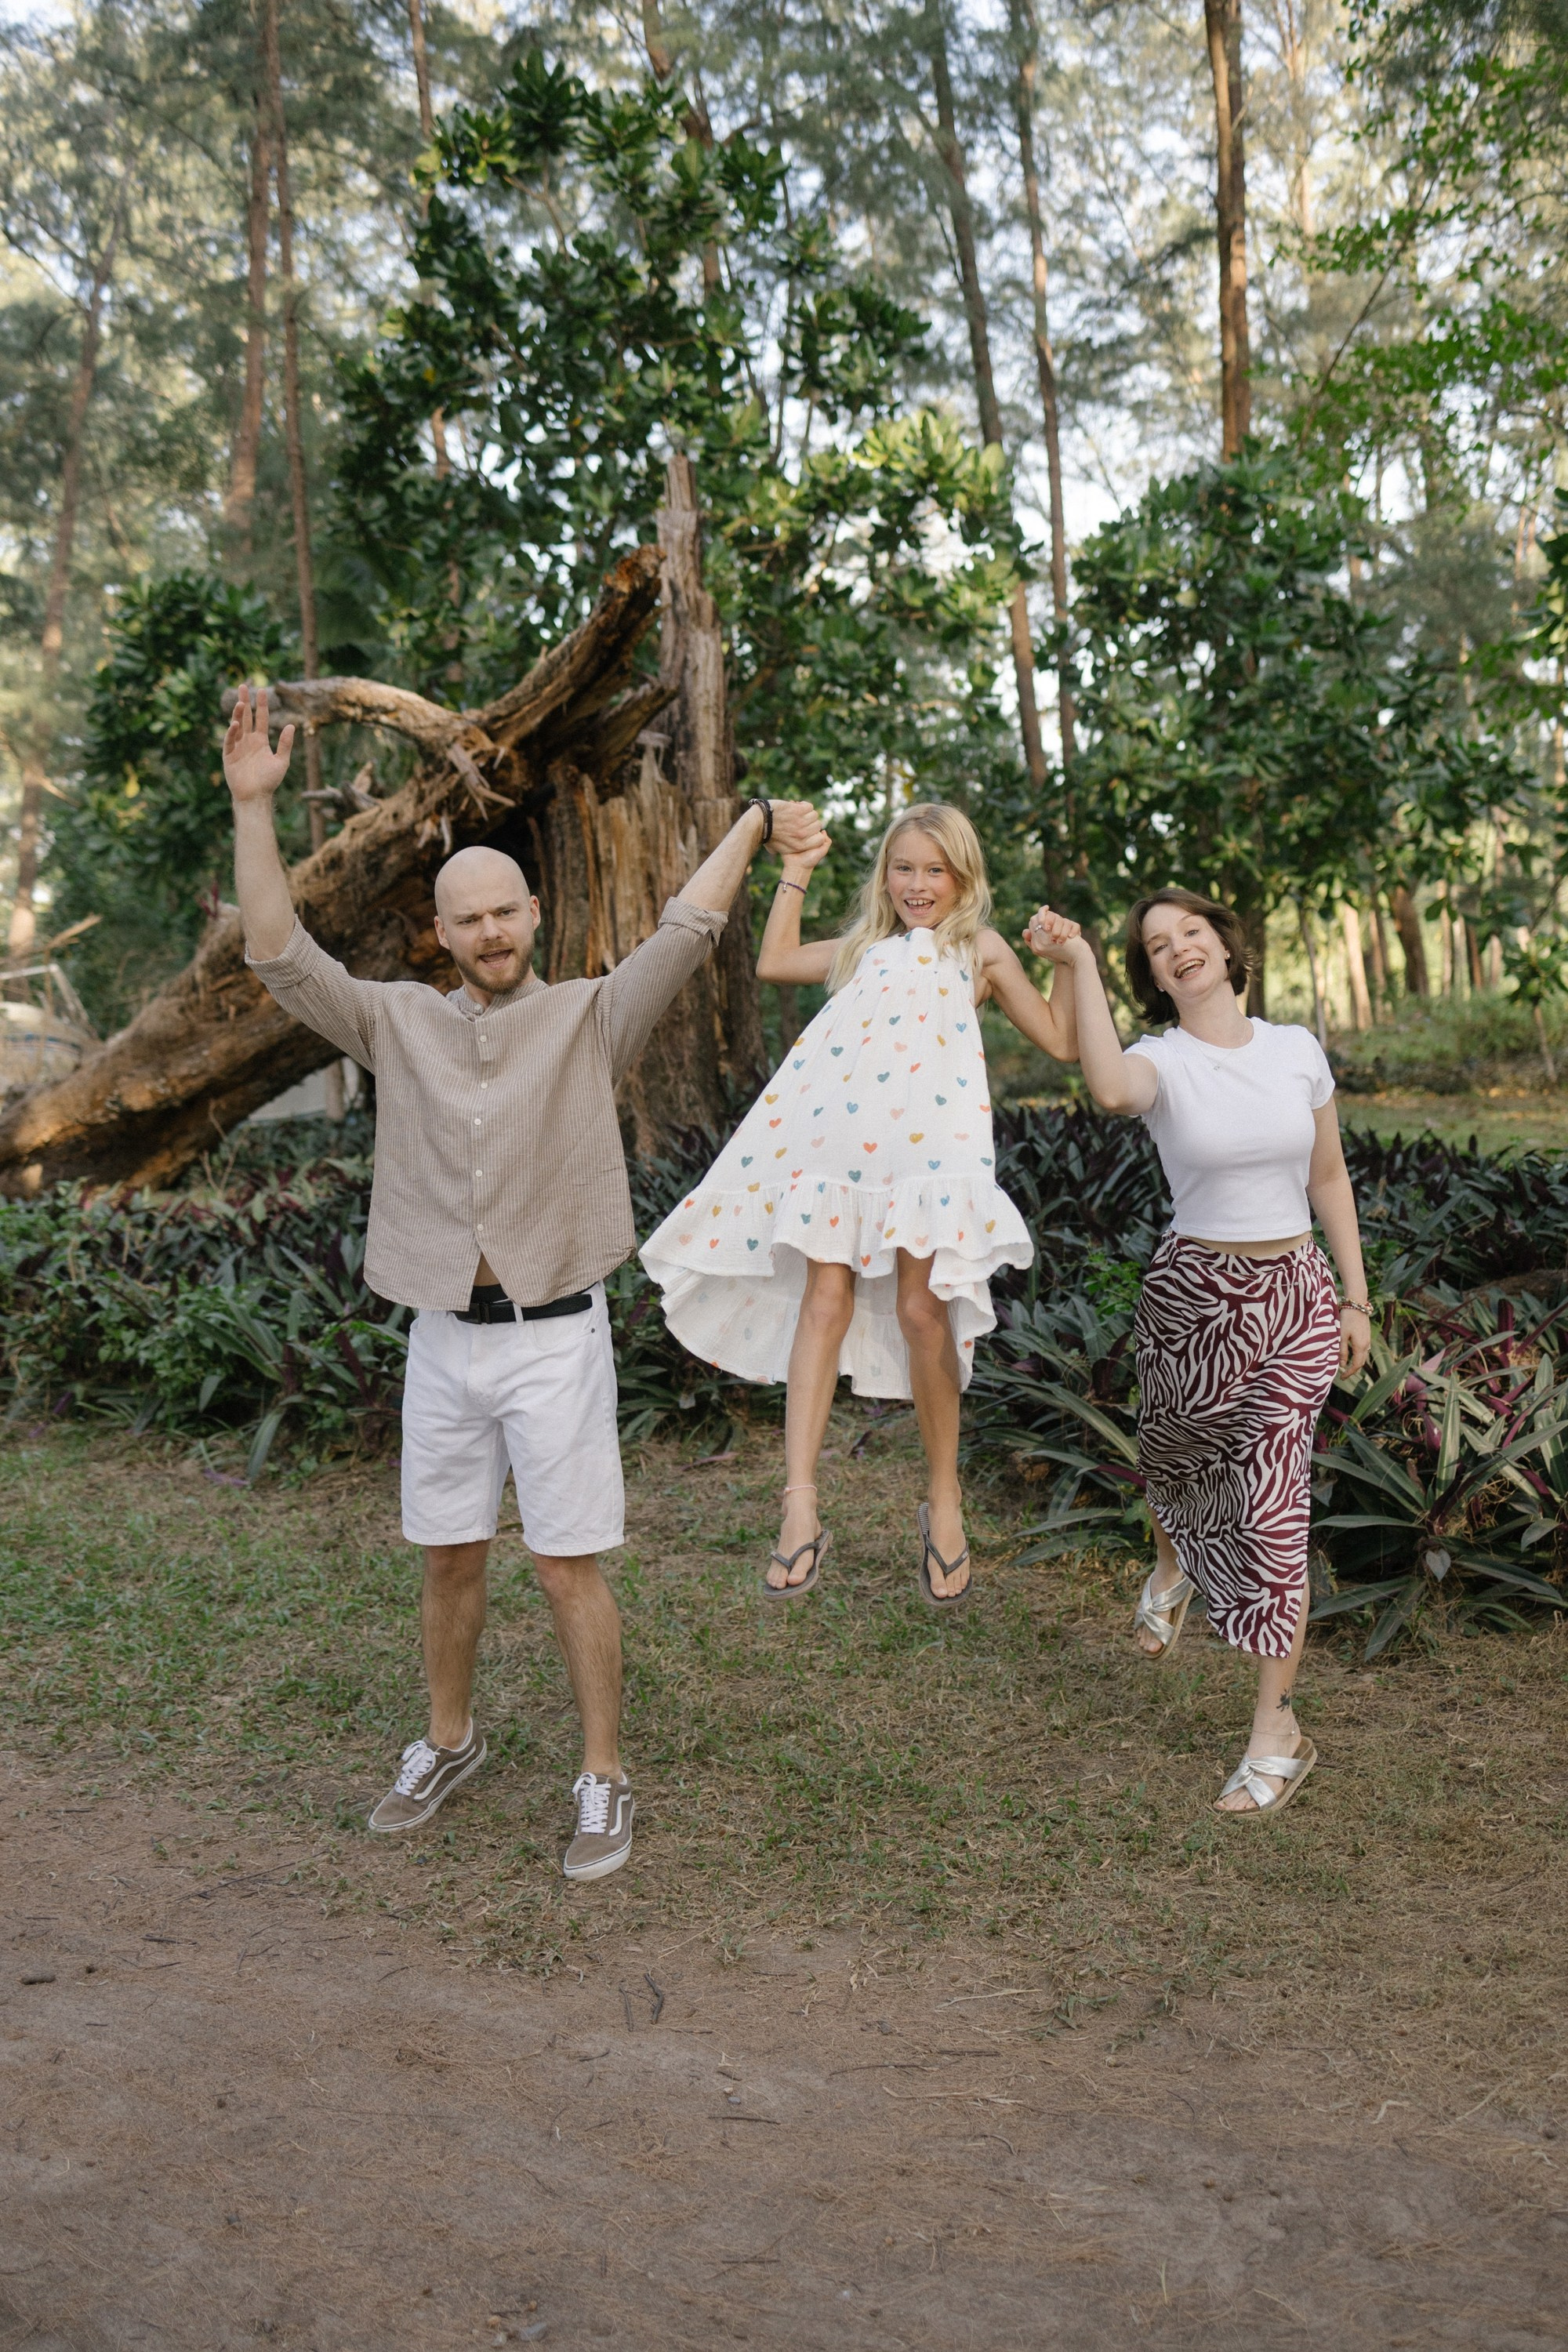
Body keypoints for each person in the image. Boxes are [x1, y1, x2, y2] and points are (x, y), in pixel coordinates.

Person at [220, 684, 827, 1878]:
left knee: (564, 1562)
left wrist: (753, 823)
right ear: (438, 935)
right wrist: (254, 809)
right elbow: (278, 953)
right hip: (444, 1338)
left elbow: (686, 931)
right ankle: (448, 1740)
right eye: (469, 920)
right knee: (450, 1551)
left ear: (533, 915)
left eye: (507, 912)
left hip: (556, 1336)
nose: (491, 933)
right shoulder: (395, 1022)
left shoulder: (591, 1020)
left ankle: (603, 1775)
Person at [641, 801, 1081, 1603]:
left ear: (961, 878)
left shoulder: (976, 950)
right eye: (903, 867)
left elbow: (1059, 1040)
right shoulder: (864, 948)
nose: (917, 884)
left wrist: (1063, 961)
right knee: (824, 1301)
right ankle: (799, 1507)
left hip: (926, 1153)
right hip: (836, 1146)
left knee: (922, 1311)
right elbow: (773, 962)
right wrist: (797, 870)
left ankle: (942, 1499)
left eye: (934, 870)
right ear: (885, 873)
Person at [1028, 888, 1372, 1816]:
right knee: (1175, 1467)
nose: (1177, 950)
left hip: (1292, 1298)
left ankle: (1276, 1732)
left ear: (1224, 944)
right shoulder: (1157, 1060)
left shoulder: (1295, 1048)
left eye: (1190, 932)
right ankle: (1175, 1561)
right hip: (1192, 1301)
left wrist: (1354, 1295)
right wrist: (1078, 966)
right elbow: (1105, 1089)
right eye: (1153, 946)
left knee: (1271, 1505)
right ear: (1149, 974)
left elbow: (1327, 1175)